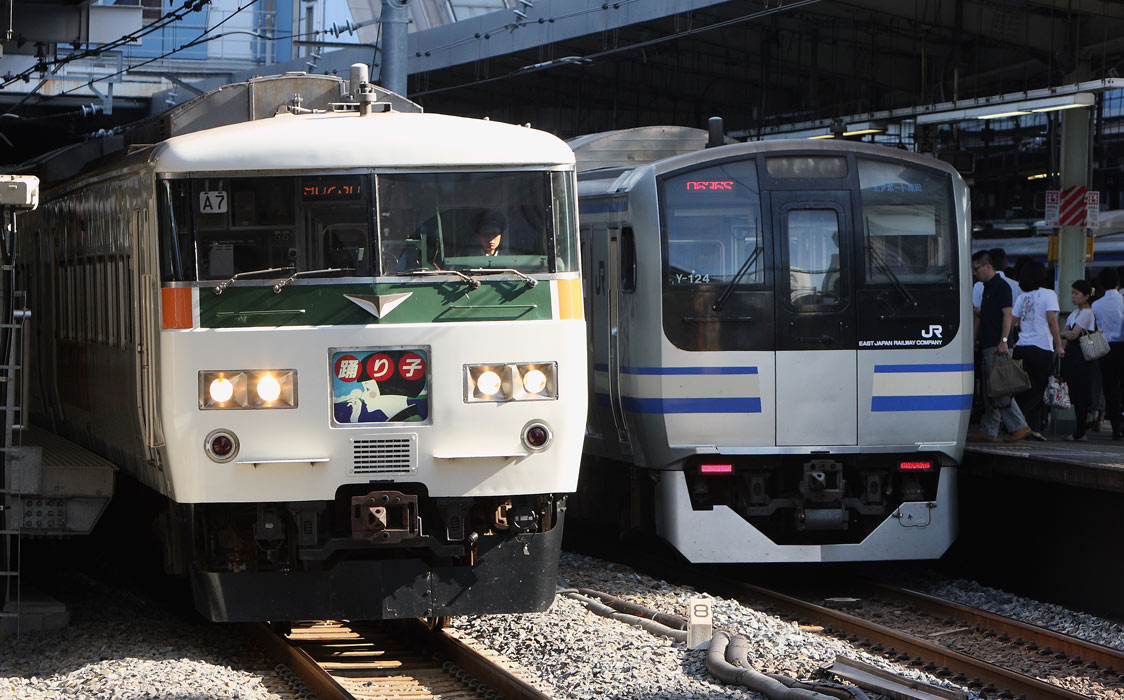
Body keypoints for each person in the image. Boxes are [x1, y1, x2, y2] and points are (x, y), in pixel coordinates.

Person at [968, 250, 1031, 442]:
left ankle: (1019, 426)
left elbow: (1007, 314)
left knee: (1000, 387)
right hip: (989, 344)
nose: (974, 273)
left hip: (997, 346)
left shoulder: (1001, 287)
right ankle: (989, 429)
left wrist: (1004, 341)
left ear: (988, 266)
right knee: (991, 388)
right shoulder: (986, 287)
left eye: (976, 269)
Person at [1011, 261, 1062, 441]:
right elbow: (1052, 321)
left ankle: (1032, 429)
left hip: (1022, 348)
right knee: (1041, 389)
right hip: (1041, 347)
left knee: (1026, 389)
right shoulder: (1049, 294)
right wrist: (1059, 345)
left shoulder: (1021, 297)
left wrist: (1012, 342)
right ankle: (1023, 420)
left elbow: (1013, 321)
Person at [1060, 279, 1098, 441]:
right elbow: (1064, 332)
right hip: (1073, 355)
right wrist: (1067, 333)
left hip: (1082, 356)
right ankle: (1080, 429)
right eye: (1072, 293)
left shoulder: (1087, 313)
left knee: (1081, 392)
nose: (1073, 297)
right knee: (1075, 391)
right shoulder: (1074, 314)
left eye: (1076, 294)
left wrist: (1067, 334)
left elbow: (1072, 334)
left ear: (1086, 296)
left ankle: (1080, 431)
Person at [1092, 267, 1124, 440]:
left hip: (1105, 349)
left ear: (1102, 285)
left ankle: (1115, 429)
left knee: (1110, 389)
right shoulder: (1123, 302)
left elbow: (1095, 328)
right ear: (1118, 283)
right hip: (1122, 347)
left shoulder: (1096, 305)